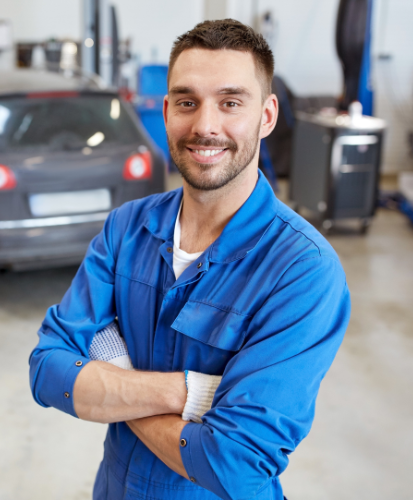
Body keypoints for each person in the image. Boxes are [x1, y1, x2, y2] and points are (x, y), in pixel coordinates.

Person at [29, 19, 350, 500]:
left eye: (230, 102)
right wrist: (192, 393)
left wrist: (113, 377)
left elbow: (233, 464)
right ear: (166, 111)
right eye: (187, 102)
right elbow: (47, 370)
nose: (205, 126)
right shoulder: (126, 228)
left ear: (266, 116)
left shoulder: (302, 270)